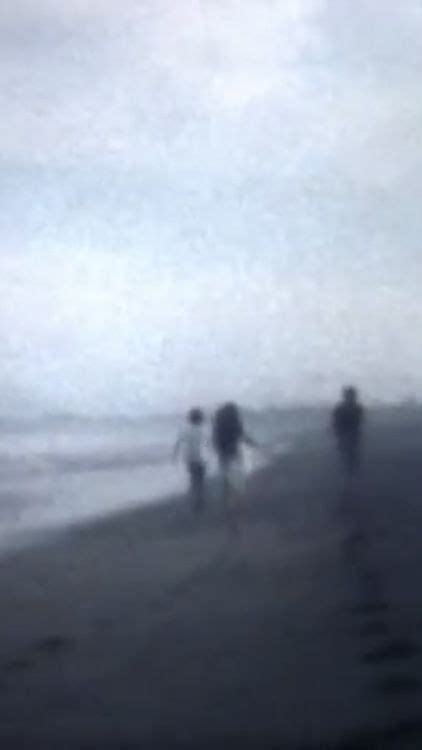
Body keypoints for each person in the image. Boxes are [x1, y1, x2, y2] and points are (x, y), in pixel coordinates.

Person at [212, 402, 257, 534]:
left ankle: (229, 516)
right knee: (238, 491)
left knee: (228, 489)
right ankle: (235, 522)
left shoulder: (218, 427)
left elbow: (215, 443)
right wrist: (254, 444)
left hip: (223, 459)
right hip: (235, 458)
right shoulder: (235, 424)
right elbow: (243, 437)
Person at [174, 408, 207, 513]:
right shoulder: (202, 430)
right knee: (200, 480)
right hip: (201, 458)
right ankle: (199, 499)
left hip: (190, 458)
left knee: (193, 479)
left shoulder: (185, 430)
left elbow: (178, 443)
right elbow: (207, 444)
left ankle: (195, 499)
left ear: (190, 419)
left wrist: (175, 455)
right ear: (200, 419)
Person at [332, 386, 365, 475]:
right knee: (349, 450)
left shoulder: (341, 408)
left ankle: (350, 468)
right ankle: (350, 467)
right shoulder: (356, 407)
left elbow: (335, 421)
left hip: (349, 432)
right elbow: (360, 420)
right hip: (347, 432)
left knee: (350, 450)